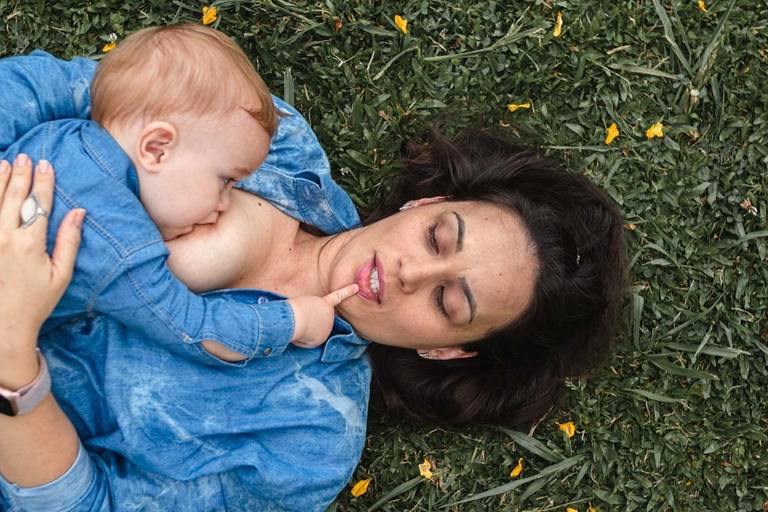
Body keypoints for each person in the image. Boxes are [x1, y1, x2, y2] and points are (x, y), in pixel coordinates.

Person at [0, 51, 625, 511]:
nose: (411, 272)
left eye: (447, 301)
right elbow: (54, 91)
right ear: (426, 203)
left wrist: (14, 363)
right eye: (438, 237)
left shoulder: (308, 442)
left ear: (448, 350)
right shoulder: (274, 145)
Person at [0, 25, 353, 376]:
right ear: (156, 149)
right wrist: (295, 320)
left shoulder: (54, 131)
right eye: (225, 180)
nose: (225, 203)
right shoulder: (122, 248)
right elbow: (195, 330)